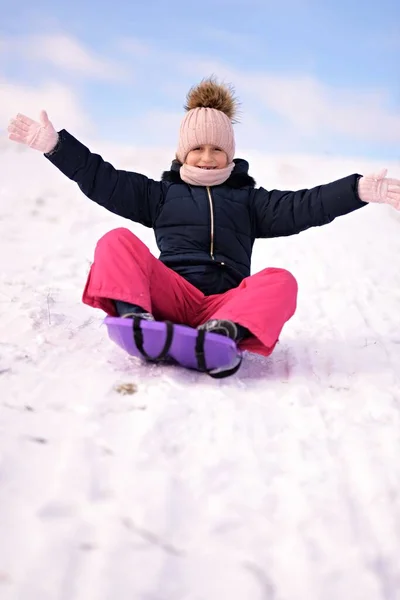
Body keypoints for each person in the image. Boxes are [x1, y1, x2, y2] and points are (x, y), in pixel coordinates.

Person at [7, 77, 400, 364]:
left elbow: (304, 205)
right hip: (170, 296)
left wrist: (358, 190)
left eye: (217, 149)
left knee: (280, 279)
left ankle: (224, 334)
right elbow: (103, 180)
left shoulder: (250, 202)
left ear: (230, 154)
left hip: (223, 306)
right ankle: (136, 319)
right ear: (182, 154)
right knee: (116, 240)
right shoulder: (160, 196)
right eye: (198, 148)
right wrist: (57, 147)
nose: (207, 157)